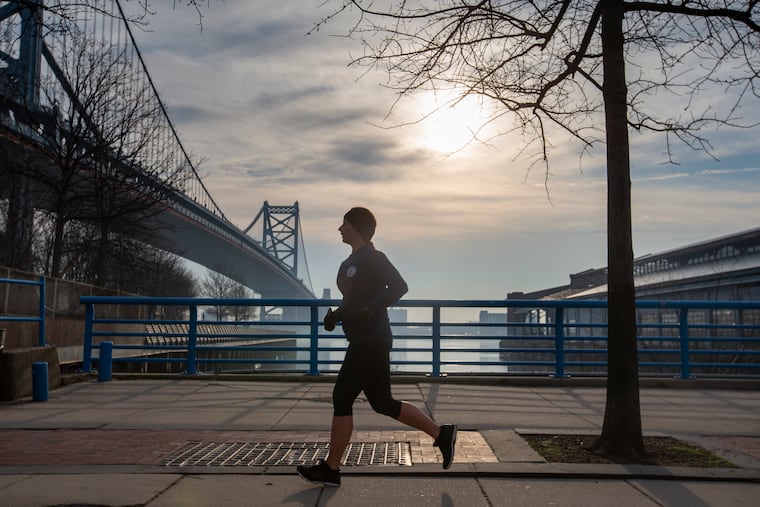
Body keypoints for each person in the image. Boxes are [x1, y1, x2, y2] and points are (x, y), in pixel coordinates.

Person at [297, 207, 457, 487]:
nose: (339, 228)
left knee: (342, 397)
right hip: (364, 338)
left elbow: (399, 286)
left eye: (344, 223)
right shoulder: (349, 262)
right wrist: (336, 316)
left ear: (356, 227)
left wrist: (373, 306)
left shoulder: (375, 258)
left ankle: (331, 469)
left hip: (372, 339)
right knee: (383, 402)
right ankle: (441, 433)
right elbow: (352, 300)